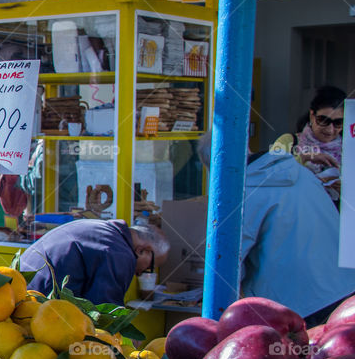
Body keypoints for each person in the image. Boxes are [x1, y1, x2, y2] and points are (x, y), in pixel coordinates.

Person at [198, 133, 355, 321]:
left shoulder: (243, 193)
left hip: (301, 303)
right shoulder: (298, 171)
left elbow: (230, 262)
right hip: (344, 288)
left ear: (215, 169)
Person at [19, 219, 170, 304]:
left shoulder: (104, 229)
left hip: (22, 288)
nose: (139, 273)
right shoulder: (120, 254)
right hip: (40, 301)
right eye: (149, 268)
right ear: (143, 250)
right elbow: (104, 310)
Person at [273, 86, 345, 201]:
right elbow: (269, 176)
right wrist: (303, 158)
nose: (330, 129)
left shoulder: (349, 150)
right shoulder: (289, 142)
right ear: (312, 116)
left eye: (338, 123)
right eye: (323, 120)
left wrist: (347, 191)